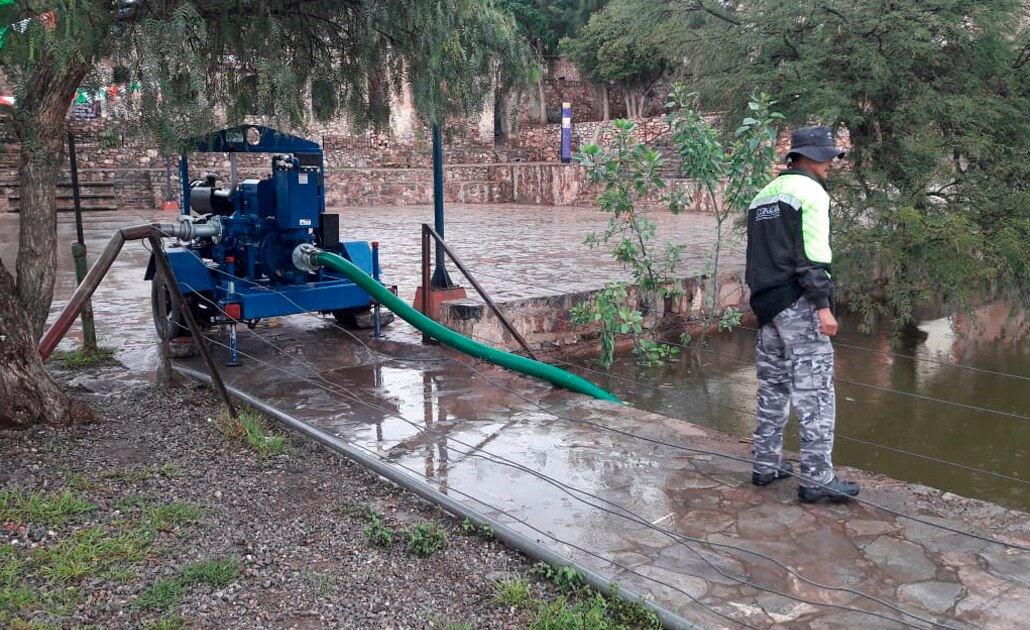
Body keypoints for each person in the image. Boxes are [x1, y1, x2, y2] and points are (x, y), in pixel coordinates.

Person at [744, 125, 860, 503]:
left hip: (767, 305)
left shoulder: (763, 195)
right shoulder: (812, 193)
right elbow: (812, 257)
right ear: (806, 157)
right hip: (799, 303)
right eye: (826, 156)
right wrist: (823, 307)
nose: (831, 163)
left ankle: (765, 464)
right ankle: (817, 480)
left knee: (773, 388)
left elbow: (757, 257)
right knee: (816, 394)